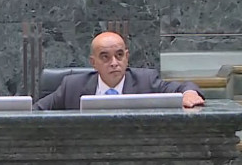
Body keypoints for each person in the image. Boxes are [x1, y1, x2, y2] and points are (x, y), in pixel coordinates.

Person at [34, 32, 206, 110]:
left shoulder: (145, 81)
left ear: (127, 57)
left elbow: (185, 87)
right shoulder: (72, 86)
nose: (114, 63)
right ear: (93, 63)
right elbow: (36, 112)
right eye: (105, 57)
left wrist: (189, 93)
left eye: (119, 55)